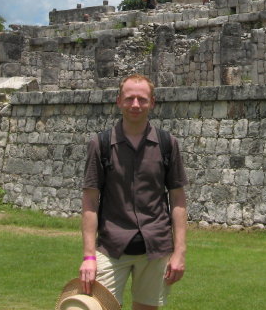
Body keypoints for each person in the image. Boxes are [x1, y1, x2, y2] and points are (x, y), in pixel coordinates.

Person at [80, 74, 188, 310]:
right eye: (129, 99)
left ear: (153, 102)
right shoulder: (101, 144)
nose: (136, 105)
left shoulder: (168, 144)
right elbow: (90, 201)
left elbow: (177, 199)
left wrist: (179, 252)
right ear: (119, 101)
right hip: (111, 247)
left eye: (142, 99)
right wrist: (89, 257)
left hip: (156, 246)